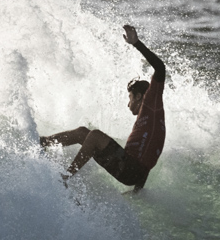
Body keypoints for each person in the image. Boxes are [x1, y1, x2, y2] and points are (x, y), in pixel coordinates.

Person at [40, 24, 166, 192]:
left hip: (129, 169)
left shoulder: (151, 103)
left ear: (138, 97)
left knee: (95, 136)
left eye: (130, 98)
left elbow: (160, 68)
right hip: (129, 169)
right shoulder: (150, 121)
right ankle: (42, 142)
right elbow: (149, 153)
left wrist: (136, 43)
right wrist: (137, 191)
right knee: (82, 133)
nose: (128, 104)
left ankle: (65, 177)